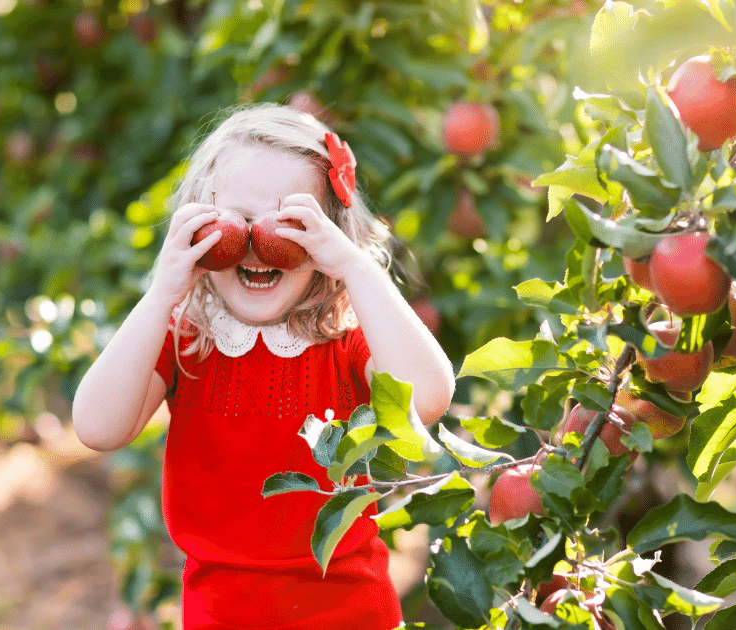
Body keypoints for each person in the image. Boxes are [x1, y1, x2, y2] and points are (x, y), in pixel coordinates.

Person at [72, 103, 456, 629]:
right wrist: (162, 292)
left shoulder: (344, 340)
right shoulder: (187, 339)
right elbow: (97, 427)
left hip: (348, 615)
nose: (258, 243)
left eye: (290, 222)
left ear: (330, 233)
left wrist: (352, 266)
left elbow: (428, 398)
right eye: (238, 221)